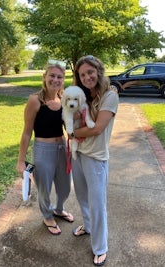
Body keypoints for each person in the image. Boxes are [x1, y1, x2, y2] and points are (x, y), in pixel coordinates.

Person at [16, 59, 74, 235]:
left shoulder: (64, 99)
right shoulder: (35, 100)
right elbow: (27, 133)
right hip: (43, 150)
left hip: (62, 148)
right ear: (44, 77)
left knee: (65, 187)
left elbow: (69, 127)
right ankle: (47, 216)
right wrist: (20, 161)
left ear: (64, 79)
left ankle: (58, 209)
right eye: (52, 76)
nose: (55, 80)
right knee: (44, 188)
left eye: (60, 77)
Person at [70, 55, 119, 266]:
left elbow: (98, 128)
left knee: (97, 203)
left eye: (90, 72)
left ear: (98, 71)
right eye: (82, 74)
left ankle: (100, 247)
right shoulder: (81, 96)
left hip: (96, 158)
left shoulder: (110, 95)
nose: (87, 77)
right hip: (77, 154)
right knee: (82, 196)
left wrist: (74, 133)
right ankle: (88, 227)